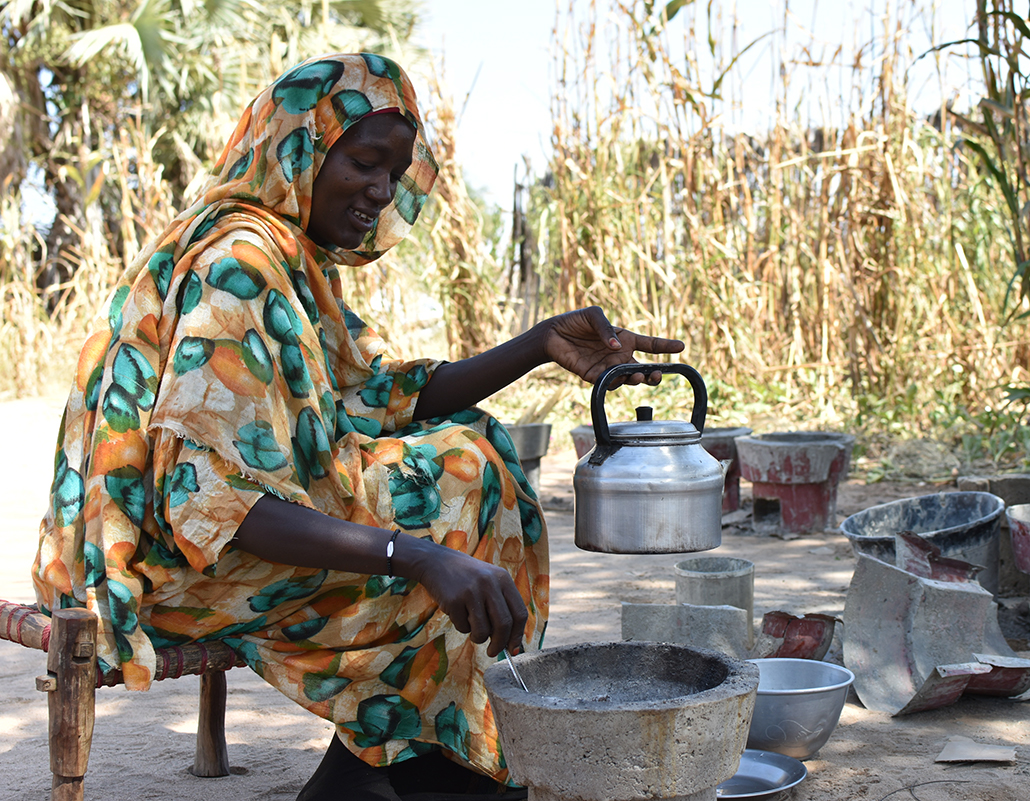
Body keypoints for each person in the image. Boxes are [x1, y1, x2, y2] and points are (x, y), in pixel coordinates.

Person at [31, 53, 684, 800]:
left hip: (218, 544)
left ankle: (420, 758)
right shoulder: (237, 265)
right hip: (169, 570)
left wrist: (538, 345)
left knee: (473, 450)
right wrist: (413, 557)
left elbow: (378, 393)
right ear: (302, 147)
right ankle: (402, 768)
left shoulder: (291, 258)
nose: (382, 189)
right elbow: (207, 506)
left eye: (395, 171)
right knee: (452, 504)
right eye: (366, 162)